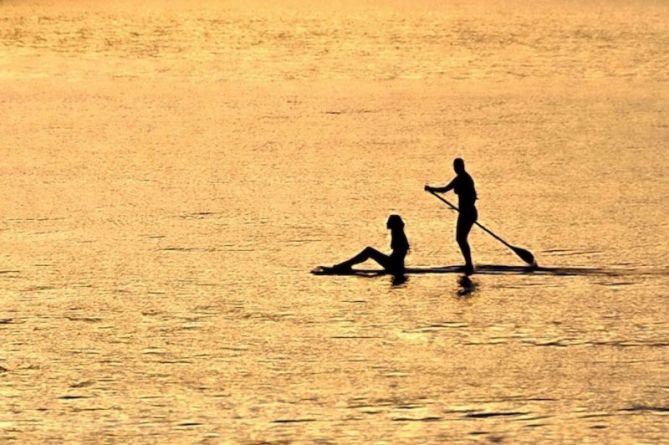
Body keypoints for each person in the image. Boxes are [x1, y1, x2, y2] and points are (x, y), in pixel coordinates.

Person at [425, 158, 478, 275]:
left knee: (461, 238)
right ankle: (468, 263)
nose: (455, 169)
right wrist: (431, 189)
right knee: (461, 238)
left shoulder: (465, 179)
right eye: (455, 167)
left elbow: (473, 196)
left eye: (457, 167)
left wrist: (430, 188)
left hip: (468, 213)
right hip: (465, 213)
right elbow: (445, 189)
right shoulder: (459, 178)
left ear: (461, 167)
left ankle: (469, 264)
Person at [330, 214, 409, 276]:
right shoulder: (398, 233)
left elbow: (399, 253)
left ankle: (344, 266)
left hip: (394, 266)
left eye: (389, 221)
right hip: (395, 264)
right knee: (369, 251)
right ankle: (345, 265)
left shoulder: (398, 233)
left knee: (369, 251)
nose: (387, 223)